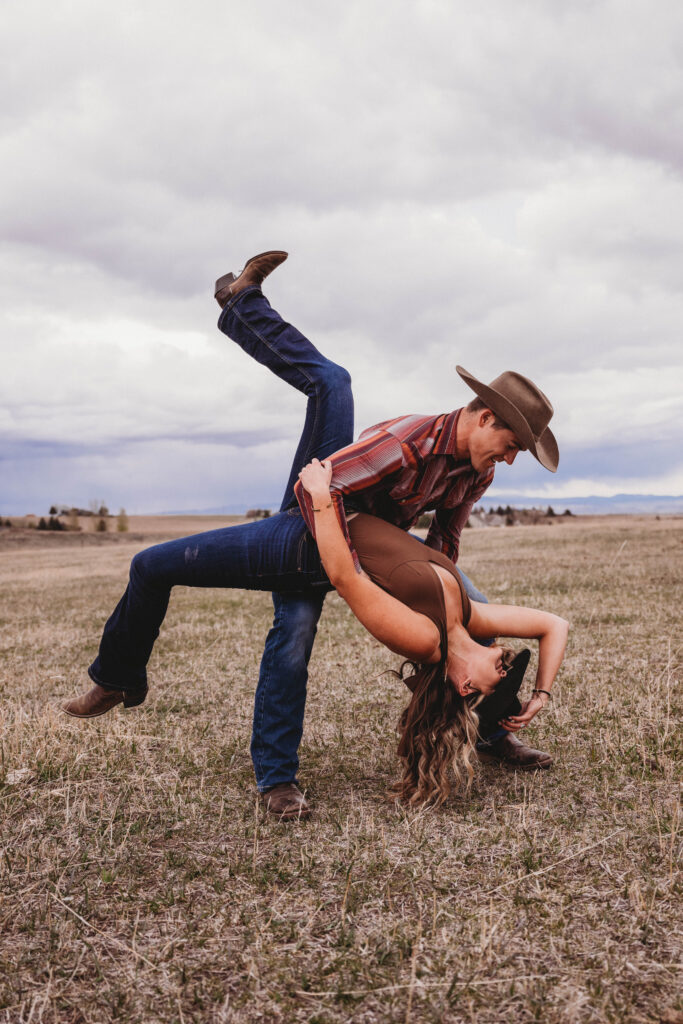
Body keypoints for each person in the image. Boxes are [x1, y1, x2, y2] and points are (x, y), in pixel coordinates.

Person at [63, 251, 565, 818]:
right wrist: (362, 571)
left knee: (470, 605)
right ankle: (269, 772)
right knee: (295, 628)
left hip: (361, 540)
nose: (510, 459)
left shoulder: (476, 470)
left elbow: (444, 543)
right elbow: (313, 495)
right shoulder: (405, 444)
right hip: (316, 529)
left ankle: (493, 726)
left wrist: (431, 595)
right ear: (486, 418)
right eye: (512, 445)